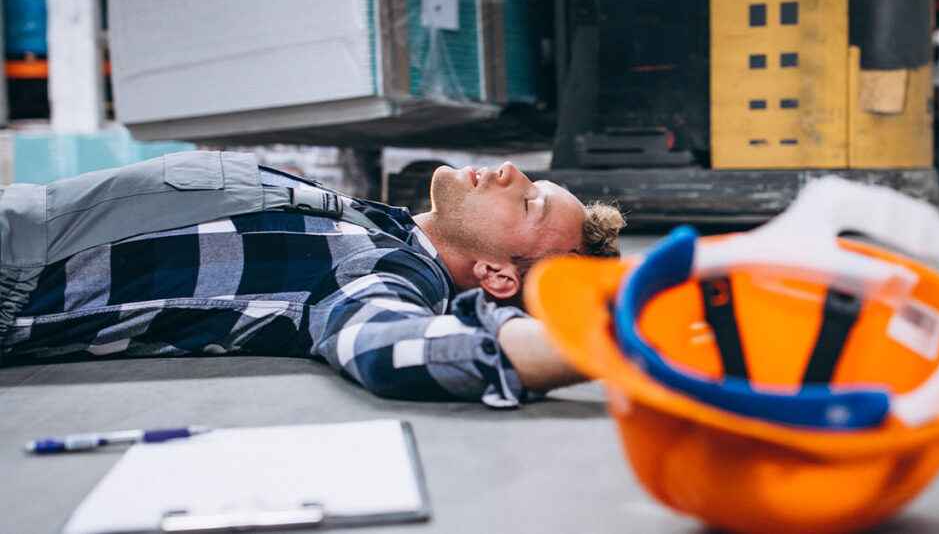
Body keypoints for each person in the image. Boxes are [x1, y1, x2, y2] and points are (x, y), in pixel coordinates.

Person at [0, 152, 624, 408]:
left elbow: (388, 347)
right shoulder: (369, 224)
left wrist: (616, 342)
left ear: (496, 276)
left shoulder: (380, 268)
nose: (514, 172)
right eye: (536, 185)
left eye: (531, 205)